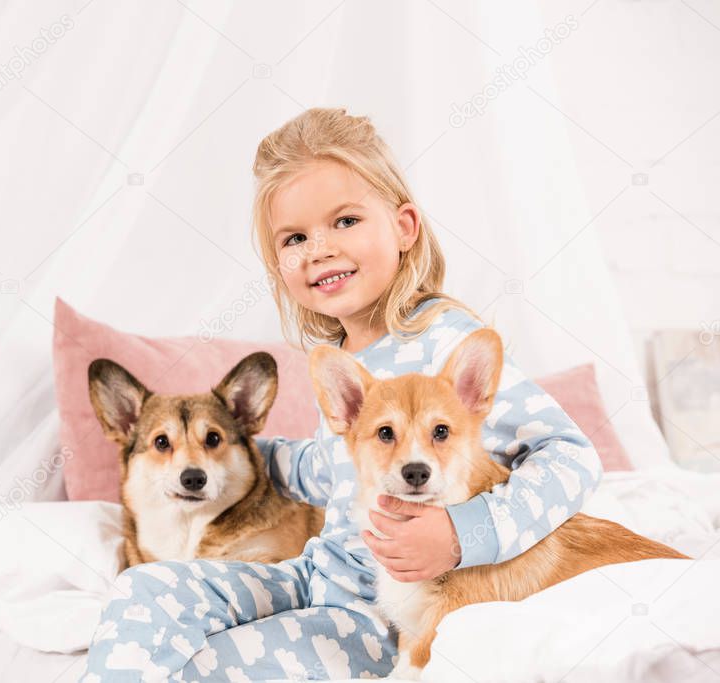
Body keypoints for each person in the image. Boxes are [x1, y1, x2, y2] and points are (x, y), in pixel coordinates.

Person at [80, 107, 603, 681]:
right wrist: (233, 451)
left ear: (405, 227)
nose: (320, 248)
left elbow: (570, 457)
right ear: (280, 266)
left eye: (346, 221)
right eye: (296, 237)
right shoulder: (344, 363)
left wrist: (462, 535)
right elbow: (328, 473)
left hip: (381, 614)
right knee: (144, 590)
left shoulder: (443, 339)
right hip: (313, 578)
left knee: (207, 668)